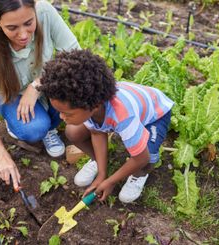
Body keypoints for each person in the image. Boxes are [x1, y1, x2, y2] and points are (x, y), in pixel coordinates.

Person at [39, 50, 174, 203]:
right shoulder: (89, 102)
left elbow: (141, 157)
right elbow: (97, 133)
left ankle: (139, 175)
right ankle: (99, 162)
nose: (62, 118)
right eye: (60, 112)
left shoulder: (123, 115)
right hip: (116, 112)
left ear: (94, 106)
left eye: (67, 113)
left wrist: (111, 181)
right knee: (73, 132)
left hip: (155, 115)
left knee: (147, 155)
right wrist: (103, 174)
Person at [0, 0, 80, 190]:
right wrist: (4, 159)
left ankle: (50, 123)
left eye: (29, 23)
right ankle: (25, 123)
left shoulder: (45, 12)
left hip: (44, 82)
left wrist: (36, 85)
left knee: (74, 88)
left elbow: (75, 54)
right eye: (12, 27)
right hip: (13, 95)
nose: (23, 35)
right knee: (34, 129)